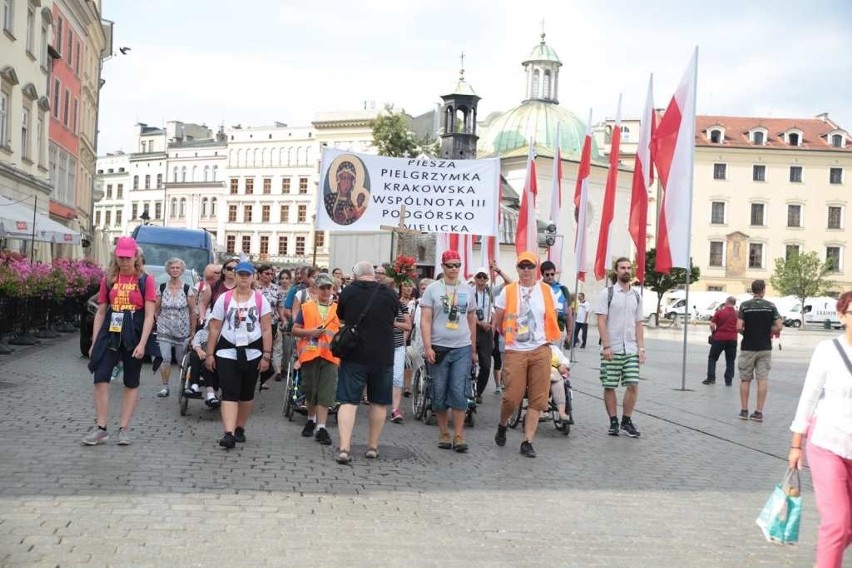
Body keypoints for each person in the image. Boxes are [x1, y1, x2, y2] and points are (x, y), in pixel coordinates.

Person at [788, 291, 852, 568]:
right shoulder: (828, 350)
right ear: (842, 316)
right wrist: (795, 444)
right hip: (828, 444)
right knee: (838, 523)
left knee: (847, 528)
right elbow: (809, 397)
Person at [82, 237, 156, 446]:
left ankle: (124, 428)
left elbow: (150, 315)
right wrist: (95, 341)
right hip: (111, 330)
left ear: (136, 256)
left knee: (131, 381)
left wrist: (142, 344)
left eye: (128, 257)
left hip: (133, 331)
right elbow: (101, 312)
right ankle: (101, 427)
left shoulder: (145, 280)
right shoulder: (109, 278)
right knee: (101, 377)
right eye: (120, 256)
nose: (124, 261)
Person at [492, 251, 561, 458]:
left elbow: (553, 316)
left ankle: (527, 440)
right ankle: (503, 424)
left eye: (530, 266)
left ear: (536, 269)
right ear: (517, 269)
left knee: (538, 399)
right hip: (516, 350)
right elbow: (498, 318)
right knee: (512, 398)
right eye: (522, 266)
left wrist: (553, 338)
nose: (526, 270)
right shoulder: (508, 291)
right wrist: (501, 336)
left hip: (540, 349)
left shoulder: (546, 291)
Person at [334, 261, 399, 464]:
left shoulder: (348, 292)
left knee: (348, 401)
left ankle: (344, 447)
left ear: (355, 275)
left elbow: (341, 317)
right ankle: (372, 446)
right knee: (379, 402)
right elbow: (394, 316)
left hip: (354, 353)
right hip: (383, 354)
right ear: (373, 274)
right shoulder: (390, 294)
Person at [205, 261, 273, 449]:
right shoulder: (224, 299)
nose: (243, 278)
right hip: (228, 349)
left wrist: (266, 355)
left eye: (247, 275)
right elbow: (215, 327)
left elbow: (267, 329)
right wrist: (210, 354)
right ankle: (229, 433)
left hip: (253, 350)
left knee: (246, 394)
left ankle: (240, 426)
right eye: (240, 274)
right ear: (235, 276)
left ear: (253, 277)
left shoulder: (260, 300)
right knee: (229, 391)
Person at [420, 250, 477, 452]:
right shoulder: (433, 289)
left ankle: (459, 435)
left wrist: (474, 349)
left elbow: (471, 320)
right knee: (439, 390)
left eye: (457, 265)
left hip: (461, 346)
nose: (454, 269)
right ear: (443, 266)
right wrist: (427, 346)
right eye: (450, 265)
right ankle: (444, 433)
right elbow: (425, 320)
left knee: (459, 390)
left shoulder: (467, 290)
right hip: (439, 347)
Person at [595, 257, 646, 438]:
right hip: (612, 348)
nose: (626, 271)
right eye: (622, 268)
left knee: (633, 384)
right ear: (616, 271)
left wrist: (641, 348)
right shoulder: (607, 294)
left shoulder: (636, 295)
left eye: (628, 268)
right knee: (610, 385)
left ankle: (626, 421)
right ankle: (613, 422)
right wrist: (606, 345)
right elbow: (601, 320)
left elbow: (639, 323)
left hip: (631, 349)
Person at [292, 273, 340, 445]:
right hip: (310, 355)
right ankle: (311, 419)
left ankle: (321, 427)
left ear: (333, 289)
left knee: (325, 392)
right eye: (323, 288)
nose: (326, 291)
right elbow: (295, 329)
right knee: (310, 390)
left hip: (330, 356)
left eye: (329, 288)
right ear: (316, 289)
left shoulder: (338, 309)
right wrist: (310, 332)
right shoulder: (307, 307)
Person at [737, 279, 782, 422]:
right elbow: (779, 326)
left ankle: (744, 411)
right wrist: (767, 331)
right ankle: (758, 412)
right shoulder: (770, 306)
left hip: (748, 347)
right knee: (762, 379)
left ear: (752, 290)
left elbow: (738, 327)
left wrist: (747, 332)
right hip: (764, 348)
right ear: (763, 290)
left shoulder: (744, 306)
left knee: (745, 379)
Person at [154, 258, 197, 397]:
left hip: (182, 329)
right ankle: (165, 387)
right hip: (164, 327)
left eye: (178, 268)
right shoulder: (161, 287)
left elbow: (192, 311)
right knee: (165, 358)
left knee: (180, 359)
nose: (175, 270)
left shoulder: (187, 289)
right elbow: (155, 308)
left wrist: (193, 330)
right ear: (168, 270)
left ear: (182, 270)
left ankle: (183, 385)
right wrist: (158, 321)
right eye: (172, 268)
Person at [255, 264, 286, 390]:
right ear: (260, 274)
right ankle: (254, 376)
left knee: (267, 350)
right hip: (256, 323)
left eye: (272, 274)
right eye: (267, 273)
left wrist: (283, 319)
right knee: (257, 349)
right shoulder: (254, 287)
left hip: (271, 323)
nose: (270, 276)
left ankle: (262, 379)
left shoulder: (276, 289)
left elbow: (280, 306)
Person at [389, 281, 412, 423]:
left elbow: (408, 326)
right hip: (381, 346)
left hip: (397, 345)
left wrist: (394, 323)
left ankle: (395, 409)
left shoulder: (401, 306)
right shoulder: (377, 307)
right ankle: (376, 403)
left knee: (397, 376)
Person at [703, 296, 738, 386]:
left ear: (726, 302)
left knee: (712, 357)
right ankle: (728, 381)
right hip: (732, 339)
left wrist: (713, 332)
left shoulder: (719, 312)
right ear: (734, 303)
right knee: (730, 360)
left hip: (719, 338)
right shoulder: (737, 314)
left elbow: (712, 325)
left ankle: (711, 378)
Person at [471, 267, 494, 402]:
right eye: (479, 277)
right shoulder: (469, 292)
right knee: (468, 361)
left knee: (486, 365)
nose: (481, 280)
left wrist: (491, 325)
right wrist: (479, 323)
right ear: (475, 278)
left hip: (486, 331)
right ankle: (468, 389)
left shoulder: (489, 293)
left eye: (484, 277)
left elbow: (494, 312)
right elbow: (467, 312)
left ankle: (478, 391)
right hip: (472, 328)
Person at [540, 260, 573, 348]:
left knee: (556, 360)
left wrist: (569, 334)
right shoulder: (537, 289)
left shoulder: (563, 289)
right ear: (542, 275)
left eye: (552, 274)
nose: (550, 277)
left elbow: (569, 313)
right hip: (540, 332)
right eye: (547, 274)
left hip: (558, 330)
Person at [198, 257, 238, 321]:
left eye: (236, 269)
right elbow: (203, 304)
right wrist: (202, 316)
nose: (233, 271)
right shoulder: (213, 286)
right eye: (229, 268)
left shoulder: (242, 287)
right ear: (224, 271)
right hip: (215, 322)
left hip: (234, 324)